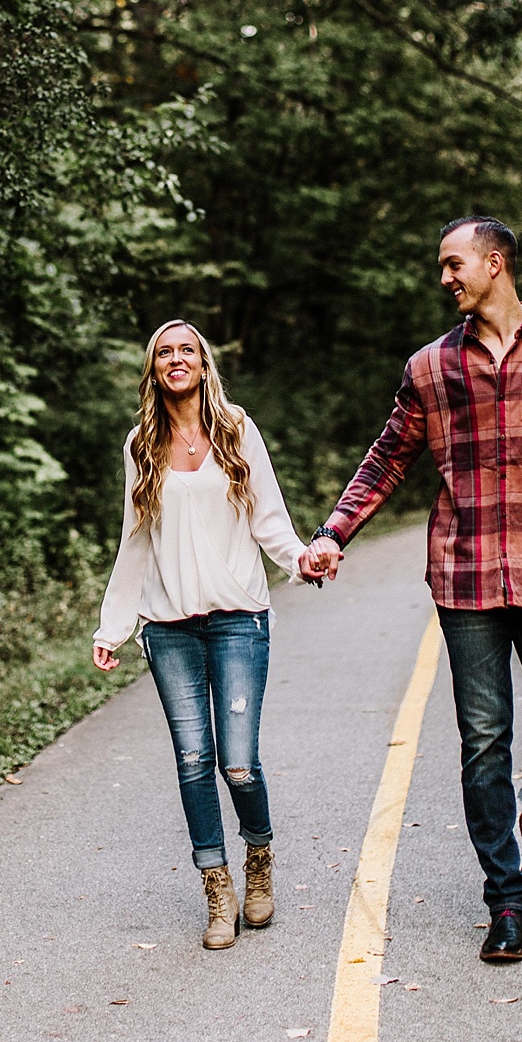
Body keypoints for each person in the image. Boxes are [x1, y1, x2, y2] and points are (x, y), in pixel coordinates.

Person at [305, 218, 522, 963]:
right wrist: (332, 532)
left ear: (494, 262)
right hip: (467, 578)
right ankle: (505, 900)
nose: (444, 278)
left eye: (453, 264)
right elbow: (388, 456)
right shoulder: (430, 369)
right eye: (440, 267)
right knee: (484, 742)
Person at [93, 319, 319, 949]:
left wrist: (301, 558)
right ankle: (217, 891)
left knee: (238, 762)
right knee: (193, 761)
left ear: (203, 362)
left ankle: (258, 857)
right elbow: (133, 542)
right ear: (153, 368)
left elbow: (269, 518)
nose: (175, 360)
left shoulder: (236, 430)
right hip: (169, 630)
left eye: (185, 350)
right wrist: (115, 624)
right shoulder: (141, 444)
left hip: (238, 620)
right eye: (164, 353)